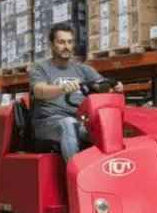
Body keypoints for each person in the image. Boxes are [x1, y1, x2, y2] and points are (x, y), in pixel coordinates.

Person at [29, 23, 122, 163]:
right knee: (69, 123)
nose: (66, 46)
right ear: (51, 44)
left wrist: (115, 87)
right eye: (61, 42)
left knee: (106, 128)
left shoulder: (83, 69)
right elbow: (39, 91)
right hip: (47, 123)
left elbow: (102, 85)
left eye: (70, 42)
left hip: (81, 120)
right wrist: (62, 88)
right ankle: (75, 173)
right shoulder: (41, 69)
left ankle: (111, 169)